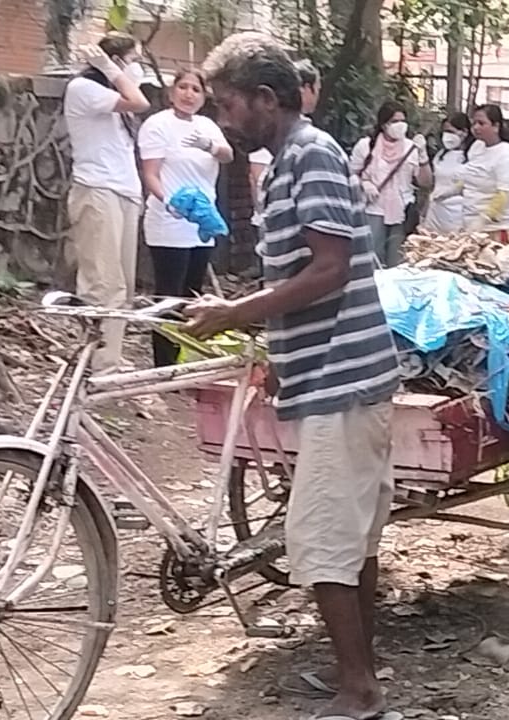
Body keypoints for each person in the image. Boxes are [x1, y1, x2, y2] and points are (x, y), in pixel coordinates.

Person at [189, 32, 399, 720]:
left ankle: (359, 690)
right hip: (332, 371)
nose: (223, 118)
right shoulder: (285, 162)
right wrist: (274, 346)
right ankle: (358, 669)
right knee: (350, 536)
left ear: (265, 100)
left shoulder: (309, 155)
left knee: (321, 540)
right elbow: (303, 273)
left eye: (227, 104)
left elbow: (330, 268)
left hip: (344, 374)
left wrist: (236, 311)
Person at [63, 32, 151, 372]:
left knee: (124, 284)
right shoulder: (84, 89)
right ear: (113, 61)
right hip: (97, 189)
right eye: (134, 59)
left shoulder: (113, 95)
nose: (137, 68)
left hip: (124, 191)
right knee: (103, 281)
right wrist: (110, 69)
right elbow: (140, 101)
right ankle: (95, 361)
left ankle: (109, 355)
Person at [138, 68, 234, 367]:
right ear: (171, 92)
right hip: (170, 221)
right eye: (183, 87)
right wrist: (169, 201)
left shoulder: (207, 126)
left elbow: (227, 155)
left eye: (195, 89)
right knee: (169, 295)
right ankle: (162, 364)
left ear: (204, 96)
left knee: (193, 294)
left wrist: (210, 146)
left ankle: (184, 358)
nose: (189, 94)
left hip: (201, 222)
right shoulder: (157, 125)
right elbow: (150, 174)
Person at [350, 101, 429, 266]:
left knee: (398, 259)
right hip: (374, 208)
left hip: (402, 211)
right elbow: (350, 175)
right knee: (372, 257)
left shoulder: (411, 148)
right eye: (394, 121)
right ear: (384, 124)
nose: (400, 125)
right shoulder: (365, 146)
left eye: (402, 121)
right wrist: (364, 184)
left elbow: (425, 182)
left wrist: (423, 156)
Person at [248, 58, 320, 210]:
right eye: (318, 89)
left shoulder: (310, 139)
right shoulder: (270, 128)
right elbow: (257, 177)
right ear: (305, 88)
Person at [460, 104, 509, 243]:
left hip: (499, 229)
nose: (476, 127)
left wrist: (483, 219)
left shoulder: (507, 155)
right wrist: (450, 190)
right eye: (474, 123)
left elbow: (505, 194)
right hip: (472, 224)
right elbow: (471, 176)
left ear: (496, 126)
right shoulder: (476, 146)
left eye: (481, 123)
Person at [423, 112, 471, 234]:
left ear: (464, 132)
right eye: (444, 132)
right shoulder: (440, 155)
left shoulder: (471, 157)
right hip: (435, 214)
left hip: (458, 215)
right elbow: (433, 185)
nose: (447, 136)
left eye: (451, 132)